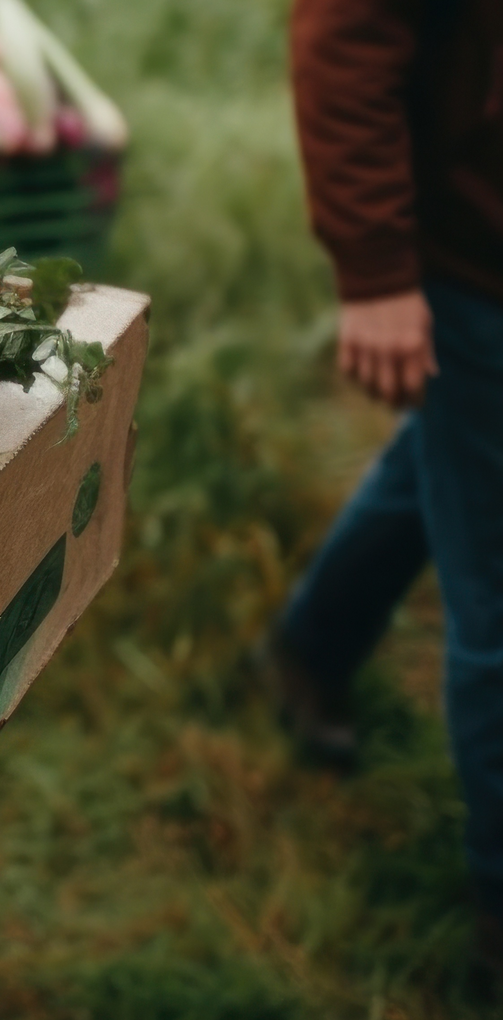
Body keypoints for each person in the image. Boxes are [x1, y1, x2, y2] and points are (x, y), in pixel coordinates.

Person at [268, 0, 502, 967]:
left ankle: (307, 651)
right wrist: (374, 274)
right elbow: (345, 34)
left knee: (444, 464)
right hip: (480, 261)